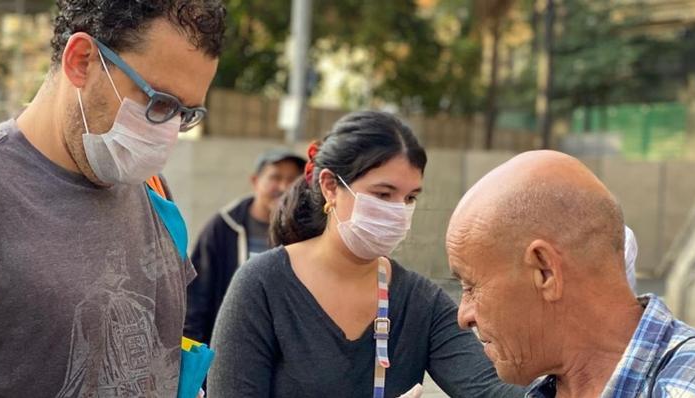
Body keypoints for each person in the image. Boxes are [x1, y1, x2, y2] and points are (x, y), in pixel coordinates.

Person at [0, 1, 225, 396]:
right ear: (82, 60)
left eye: (185, 114)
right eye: (159, 103)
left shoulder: (151, 189)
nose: (168, 134)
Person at [207, 111, 525, 397]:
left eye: (410, 197)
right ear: (330, 186)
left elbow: (491, 390)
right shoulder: (263, 284)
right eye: (383, 194)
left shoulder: (419, 301)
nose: (397, 211)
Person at [445, 150, 695, 397]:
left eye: (471, 287)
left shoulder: (690, 386)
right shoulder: (548, 386)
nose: (463, 316)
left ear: (545, 271)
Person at [184, 148, 305, 344]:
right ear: (255, 181)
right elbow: (197, 295)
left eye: (292, 179)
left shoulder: (306, 232)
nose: (283, 187)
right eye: (275, 177)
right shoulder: (223, 227)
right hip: (228, 342)